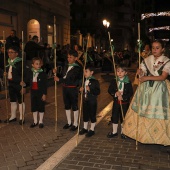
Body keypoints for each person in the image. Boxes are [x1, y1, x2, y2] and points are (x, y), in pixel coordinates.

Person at [123, 39, 170, 145]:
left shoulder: (167, 61)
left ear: (162, 49)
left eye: (157, 48)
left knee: (156, 111)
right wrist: (140, 72)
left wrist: (146, 78)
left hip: (159, 90)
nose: (154, 50)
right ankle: (141, 135)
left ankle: (158, 137)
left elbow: (162, 77)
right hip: (145, 89)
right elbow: (142, 73)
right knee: (143, 109)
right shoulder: (147, 59)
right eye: (153, 47)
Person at [54, 49, 82, 131]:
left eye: (71, 57)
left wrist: (59, 80)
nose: (68, 59)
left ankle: (75, 123)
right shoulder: (66, 65)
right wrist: (56, 73)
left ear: (76, 58)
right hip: (65, 88)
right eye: (68, 57)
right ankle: (69, 122)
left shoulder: (78, 68)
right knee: (67, 105)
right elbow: (63, 75)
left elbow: (71, 79)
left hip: (72, 88)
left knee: (74, 106)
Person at [107, 64, 133, 139]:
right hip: (116, 103)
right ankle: (114, 131)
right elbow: (109, 90)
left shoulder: (128, 82)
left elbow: (130, 93)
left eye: (122, 71)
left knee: (123, 117)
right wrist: (115, 93)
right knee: (114, 116)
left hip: (124, 103)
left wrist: (123, 97)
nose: (120, 73)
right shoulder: (114, 81)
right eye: (118, 71)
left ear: (126, 73)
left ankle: (123, 132)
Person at [4, 46, 27, 125]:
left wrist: (24, 85)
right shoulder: (9, 62)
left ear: (16, 54)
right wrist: (6, 74)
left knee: (21, 101)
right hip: (11, 84)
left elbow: (25, 75)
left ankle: (22, 117)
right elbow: (9, 71)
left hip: (18, 84)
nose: (9, 54)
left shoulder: (21, 62)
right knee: (12, 101)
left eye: (11, 52)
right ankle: (13, 116)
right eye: (8, 52)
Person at [79, 66, 100, 137]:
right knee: (85, 114)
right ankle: (85, 128)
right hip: (85, 100)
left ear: (91, 72)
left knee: (92, 114)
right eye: (84, 71)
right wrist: (80, 90)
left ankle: (92, 129)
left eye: (86, 71)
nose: (84, 73)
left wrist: (90, 90)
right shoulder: (83, 80)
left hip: (92, 101)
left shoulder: (95, 81)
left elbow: (98, 91)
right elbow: (80, 89)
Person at [26, 57, 47, 128]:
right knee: (34, 106)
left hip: (40, 92)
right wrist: (24, 84)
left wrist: (44, 94)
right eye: (36, 64)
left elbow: (45, 85)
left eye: (39, 64)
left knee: (41, 106)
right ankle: (35, 121)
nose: (38, 65)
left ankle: (41, 121)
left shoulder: (43, 74)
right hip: (33, 91)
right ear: (32, 65)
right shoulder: (30, 72)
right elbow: (27, 81)